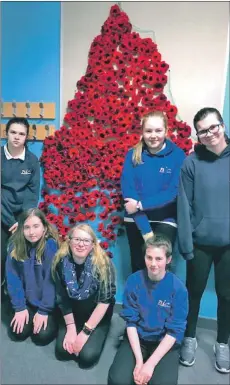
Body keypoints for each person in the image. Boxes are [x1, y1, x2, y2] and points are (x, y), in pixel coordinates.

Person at [177, 107, 230, 374]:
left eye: (213, 127)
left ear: (222, 125)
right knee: (193, 293)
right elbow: (184, 206)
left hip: (229, 245)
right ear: (197, 134)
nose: (209, 134)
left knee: (227, 295)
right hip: (199, 243)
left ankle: (223, 343)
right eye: (203, 131)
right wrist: (186, 244)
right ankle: (189, 337)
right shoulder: (191, 163)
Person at [108, 235, 188, 385]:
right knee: (117, 381)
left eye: (159, 259)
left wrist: (150, 365)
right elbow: (130, 322)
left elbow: (174, 331)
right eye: (149, 257)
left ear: (168, 260)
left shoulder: (178, 289)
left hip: (164, 341)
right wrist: (139, 361)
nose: (153, 264)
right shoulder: (134, 281)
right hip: (138, 337)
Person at [121, 111, 186, 272]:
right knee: (139, 266)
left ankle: (162, 299)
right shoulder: (132, 155)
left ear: (166, 131)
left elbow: (173, 192)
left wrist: (141, 205)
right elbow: (129, 194)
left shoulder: (178, 156)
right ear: (142, 132)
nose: (153, 135)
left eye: (158, 130)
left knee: (160, 268)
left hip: (165, 219)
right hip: (136, 219)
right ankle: (138, 298)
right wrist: (146, 231)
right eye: (148, 131)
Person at [53, 223, 116, 368]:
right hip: (73, 313)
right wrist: (70, 327)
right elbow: (62, 297)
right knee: (62, 352)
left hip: (96, 315)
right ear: (69, 241)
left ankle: (101, 330)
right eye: (77, 240)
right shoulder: (60, 262)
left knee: (86, 357)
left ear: (93, 244)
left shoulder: (104, 264)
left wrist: (85, 332)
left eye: (86, 241)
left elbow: (105, 301)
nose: (81, 244)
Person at [6, 208, 59, 345]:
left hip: (47, 303)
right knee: (18, 333)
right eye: (27, 227)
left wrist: (44, 311)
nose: (31, 232)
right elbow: (13, 279)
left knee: (42, 337)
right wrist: (20, 308)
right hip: (27, 301)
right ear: (21, 229)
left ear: (44, 228)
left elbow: (51, 282)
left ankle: (52, 318)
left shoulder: (51, 247)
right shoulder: (15, 246)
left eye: (36, 226)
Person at [1, 117, 40, 295]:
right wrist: (9, 221)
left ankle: (18, 299)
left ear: (26, 137)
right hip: (2, 215)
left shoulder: (32, 160)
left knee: (20, 259)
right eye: (13, 132)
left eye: (21, 134)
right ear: (6, 134)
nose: (17, 137)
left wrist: (23, 221)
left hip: (22, 219)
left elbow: (32, 193)